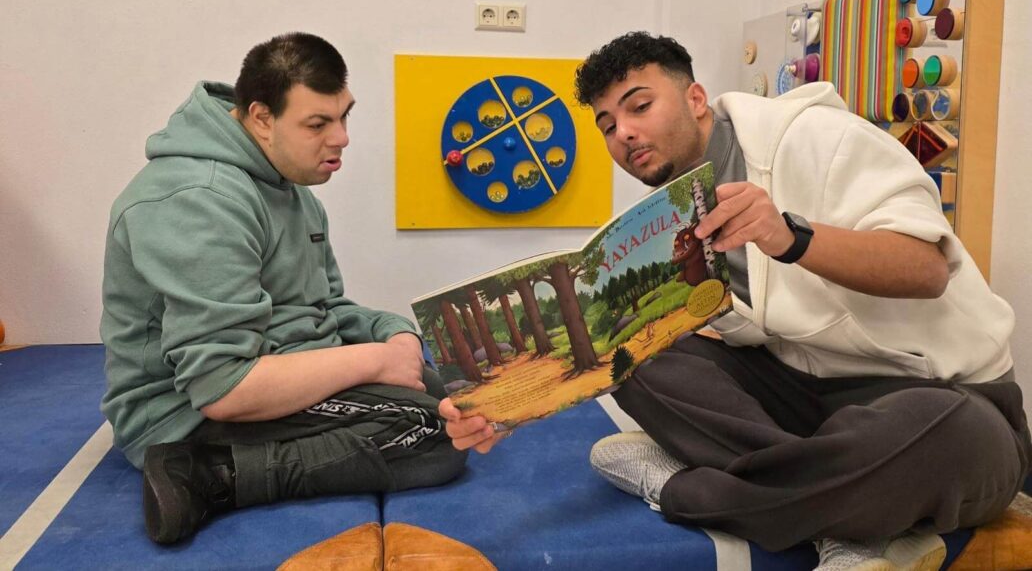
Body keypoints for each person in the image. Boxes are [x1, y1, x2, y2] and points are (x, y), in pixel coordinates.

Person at [439, 31, 1031, 570]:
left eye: (639, 106)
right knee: (632, 353)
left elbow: (927, 270)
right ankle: (848, 510)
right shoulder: (665, 218)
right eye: (607, 125)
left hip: (941, 396)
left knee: (947, 432)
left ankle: (685, 489)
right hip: (806, 400)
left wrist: (790, 237)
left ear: (696, 98)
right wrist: (508, 406)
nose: (624, 133)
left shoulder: (819, 137)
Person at [101, 32, 466, 545]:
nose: (341, 138)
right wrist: (374, 361)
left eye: (344, 116)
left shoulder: (290, 187)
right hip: (183, 414)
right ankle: (211, 474)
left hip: (275, 365)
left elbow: (325, 306)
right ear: (261, 118)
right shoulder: (198, 198)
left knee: (437, 390)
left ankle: (235, 463)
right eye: (318, 124)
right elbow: (221, 386)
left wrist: (395, 334)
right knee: (433, 434)